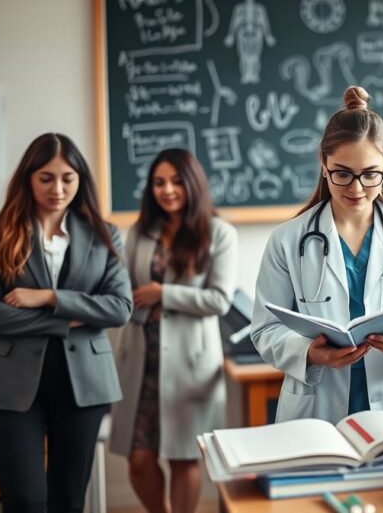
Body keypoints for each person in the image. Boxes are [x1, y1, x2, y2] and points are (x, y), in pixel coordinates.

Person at [251, 86, 383, 423]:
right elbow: (265, 330)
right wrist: (308, 353)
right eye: (342, 173)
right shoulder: (287, 240)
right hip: (314, 411)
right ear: (324, 164)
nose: (356, 188)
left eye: (370, 174)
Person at [0, 133, 132, 512]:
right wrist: (64, 320)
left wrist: (49, 298)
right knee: (24, 500)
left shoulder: (105, 235)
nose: (57, 188)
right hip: (8, 384)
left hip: (84, 384)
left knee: (69, 500)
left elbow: (120, 308)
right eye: (46, 177)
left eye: (67, 178)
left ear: (80, 180)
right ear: (28, 177)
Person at [110, 149, 237, 513]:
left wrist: (162, 293)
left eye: (176, 181)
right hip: (141, 357)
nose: (168, 190)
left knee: (183, 457)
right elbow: (125, 289)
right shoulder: (139, 232)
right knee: (138, 458)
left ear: (192, 183)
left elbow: (219, 300)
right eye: (159, 182)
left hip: (190, 362)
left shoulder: (219, 233)